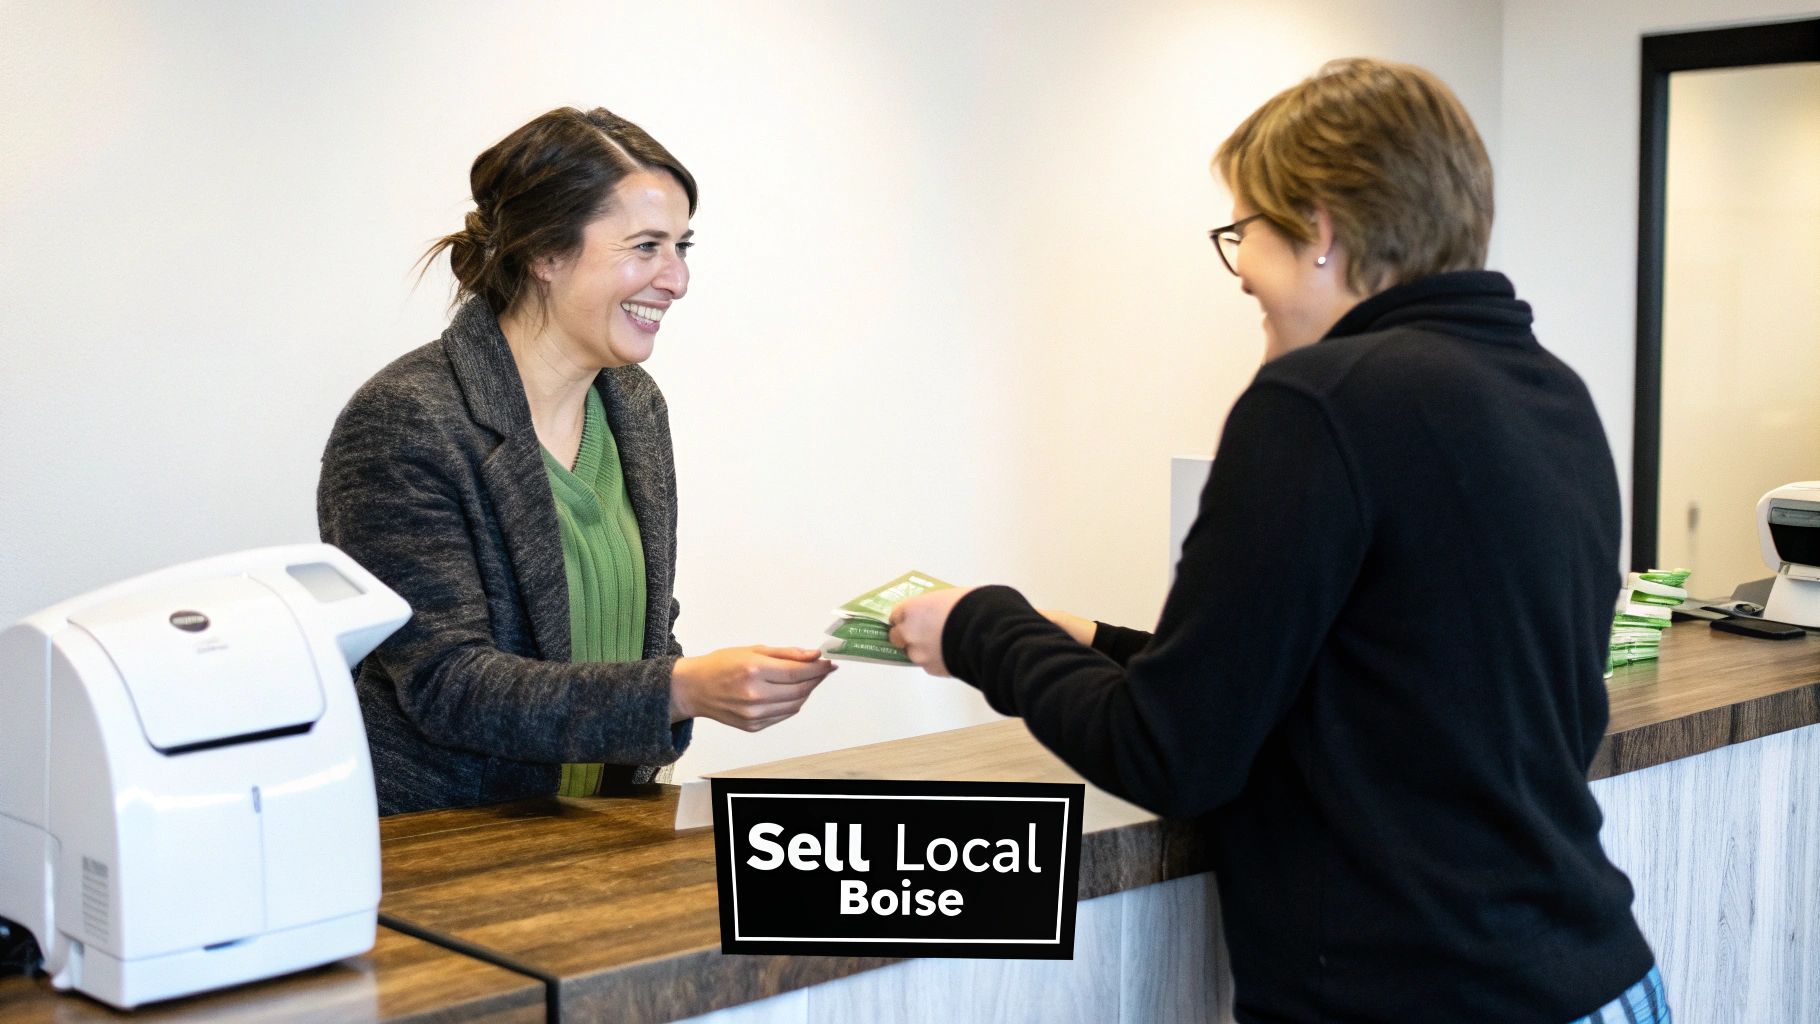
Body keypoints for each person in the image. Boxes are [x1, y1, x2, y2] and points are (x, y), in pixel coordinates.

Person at [889, 60, 1669, 1023]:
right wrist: (1087, 637)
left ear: (1322, 229)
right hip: (1595, 978)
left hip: (1421, 998)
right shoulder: (1546, 390)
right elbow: (1353, 682)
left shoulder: (1319, 402)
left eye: (1243, 231)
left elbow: (1173, 754)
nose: (1241, 271)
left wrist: (980, 629)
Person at [319, 107, 834, 816]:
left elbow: (641, 621)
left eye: (681, 246)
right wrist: (680, 689)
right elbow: (449, 685)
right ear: (546, 254)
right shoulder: (407, 420)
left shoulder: (634, 405)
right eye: (646, 246)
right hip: (445, 854)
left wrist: (696, 682)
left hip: (600, 832)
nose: (676, 279)